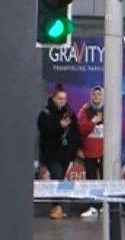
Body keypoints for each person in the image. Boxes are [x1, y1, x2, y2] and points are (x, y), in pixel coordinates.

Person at [38, 85, 83, 219]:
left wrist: (76, 148)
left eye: (64, 99)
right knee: (56, 177)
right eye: (59, 99)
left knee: (60, 179)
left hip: (66, 154)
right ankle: (55, 207)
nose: (62, 101)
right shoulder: (45, 113)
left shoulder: (69, 112)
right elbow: (44, 131)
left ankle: (57, 206)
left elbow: (75, 132)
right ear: (54, 98)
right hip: (52, 154)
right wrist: (59, 126)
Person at [76, 86, 105, 218]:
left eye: (99, 94)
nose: (97, 97)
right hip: (90, 152)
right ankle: (93, 206)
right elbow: (81, 129)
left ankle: (106, 206)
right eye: (94, 94)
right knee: (91, 179)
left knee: (107, 180)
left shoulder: (109, 109)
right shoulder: (85, 110)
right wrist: (93, 121)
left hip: (106, 152)